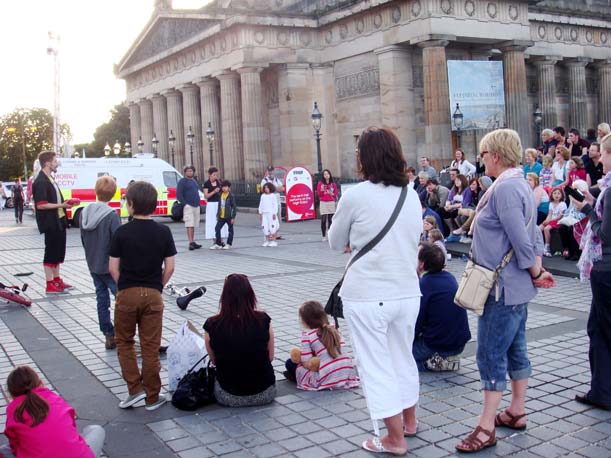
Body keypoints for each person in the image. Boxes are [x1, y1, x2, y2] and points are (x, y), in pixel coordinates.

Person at [455, 128, 555, 453]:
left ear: (495, 155)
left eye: (483, 155)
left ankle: (485, 428)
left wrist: (537, 271)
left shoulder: (507, 188)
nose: (480, 160)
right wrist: (536, 271)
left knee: (490, 355)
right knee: (516, 348)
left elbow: (521, 239)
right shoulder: (517, 183)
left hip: (502, 288)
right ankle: (516, 411)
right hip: (514, 286)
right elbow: (533, 232)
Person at [329, 127, 422, 455]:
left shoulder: (355, 195)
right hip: (408, 292)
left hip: (368, 294)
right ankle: (409, 423)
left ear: (364, 158)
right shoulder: (410, 194)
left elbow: (335, 242)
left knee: (375, 366)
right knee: (402, 357)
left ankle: (394, 439)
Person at [109, 181, 177, 411]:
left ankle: (134, 389)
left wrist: (125, 286)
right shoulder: (163, 231)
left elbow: (112, 268)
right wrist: (158, 285)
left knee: (125, 342)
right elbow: (169, 266)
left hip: (127, 293)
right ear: (155, 205)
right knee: (150, 346)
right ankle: (152, 396)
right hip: (153, 294)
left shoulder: (121, 232)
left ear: (130, 205)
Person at [571, 132, 611, 411]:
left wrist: (587, 209)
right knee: (599, 328)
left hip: (606, 268)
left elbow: (606, 234)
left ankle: (602, 391)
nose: (600, 159)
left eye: (604, 154)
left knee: (600, 329)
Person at [203, 274, 276, 406]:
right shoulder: (263, 320)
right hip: (265, 392)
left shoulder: (212, 324)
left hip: (228, 395)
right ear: (250, 294)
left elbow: (214, 361)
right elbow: (270, 357)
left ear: (224, 297)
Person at [4, 365, 105, 458]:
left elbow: (15, 446)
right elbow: (72, 429)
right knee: (96, 430)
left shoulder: (13, 411)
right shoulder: (54, 399)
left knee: (4, 450)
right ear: (41, 383)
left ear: (11, 394)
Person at [413, 243, 471, 371]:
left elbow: (416, 322)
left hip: (437, 344)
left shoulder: (425, 284)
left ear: (421, 264)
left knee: (401, 357)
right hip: (458, 342)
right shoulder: (450, 278)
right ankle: (444, 359)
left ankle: (432, 363)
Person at [80, 176, 122, 350]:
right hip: (110, 266)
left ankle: (108, 334)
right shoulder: (112, 216)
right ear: (113, 194)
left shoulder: (85, 213)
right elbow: (119, 243)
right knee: (120, 298)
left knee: (101, 299)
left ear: (96, 191)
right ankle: (122, 333)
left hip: (92, 263)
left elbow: (83, 238)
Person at [284, 300, 359, 391]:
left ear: (305, 321)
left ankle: (297, 377)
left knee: (290, 363)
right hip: (346, 373)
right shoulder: (334, 327)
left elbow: (306, 363)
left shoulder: (307, 335)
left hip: (325, 378)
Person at [32, 151, 74, 295]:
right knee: (51, 251)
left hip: (59, 221)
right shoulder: (41, 181)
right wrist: (62, 206)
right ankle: (49, 283)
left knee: (58, 251)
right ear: (48, 163)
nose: (57, 164)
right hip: (50, 222)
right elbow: (41, 205)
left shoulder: (50, 179)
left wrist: (64, 204)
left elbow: (54, 201)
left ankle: (57, 280)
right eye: (55, 161)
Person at [177, 165, 202, 250]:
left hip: (196, 205)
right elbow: (179, 194)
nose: (190, 172)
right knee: (189, 224)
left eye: (191, 171)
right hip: (188, 206)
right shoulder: (182, 181)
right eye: (188, 171)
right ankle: (190, 242)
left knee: (194, 224)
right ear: (185, 172)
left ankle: (193, 241)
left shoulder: (194, 181)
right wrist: (185, 204)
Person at [539, 188, 567, 257]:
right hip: (551, 221)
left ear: (562, 195)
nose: (556, 195)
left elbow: (559, 217)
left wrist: (549, 221)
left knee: (546, 229)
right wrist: (546, 221)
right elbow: (550, 214)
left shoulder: (563, 204)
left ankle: (547, 247)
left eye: (558, 193)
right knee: (539, 228)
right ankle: (538, 246)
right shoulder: (551, 204)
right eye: (554, 193)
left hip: (558, 221)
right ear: (551, 195)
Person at [211, 180, 236, 250]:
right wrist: (217, 214)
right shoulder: (220, 195)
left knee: (230, 230)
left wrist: (233, 217)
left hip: (228, 216)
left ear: (229, 188)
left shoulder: (231, 196)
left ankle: (229, 244)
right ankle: (218, 243)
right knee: (217, 228)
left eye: (226, 187)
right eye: (223, 187)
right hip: (221, 216)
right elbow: (219, 205)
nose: (224, 188)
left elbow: (234, 207)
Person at [317, 169, 339, 241]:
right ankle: (323, 236)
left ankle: (330, 235)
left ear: (329, 175)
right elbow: (319, 194)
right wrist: (322, 190)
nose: (326, 175)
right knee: (323, 220)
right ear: (323, 176)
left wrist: (332, 193)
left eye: (327, 174)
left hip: (331, 202)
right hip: (323, 202)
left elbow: (335, 193)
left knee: (330, 220)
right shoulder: (320, 183)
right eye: (325, 174)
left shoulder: (333, 184)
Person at [203, 167, 223, 244]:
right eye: (214, 175)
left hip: (219, 203)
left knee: (220, 220)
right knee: (212, 221)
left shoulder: (219, 182)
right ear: (209, 175)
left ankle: (221, 239)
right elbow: (206, 196)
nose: (215, 177)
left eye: (216, 175)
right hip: (211, 204)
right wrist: (214, 191)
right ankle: (214, 240)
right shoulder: (206, 183)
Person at [259, 182, 279, 247]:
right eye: (265, 188)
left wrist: (274, 213)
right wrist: (260, 213)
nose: (266, 189)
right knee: (265, 227)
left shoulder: (273, 196)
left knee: (272, 227)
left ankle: (273, 241)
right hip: (264, 214)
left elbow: (275, 205)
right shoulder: (263, 196)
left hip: (271, 214)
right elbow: (261, 205)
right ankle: (267, 241)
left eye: (267, 188)